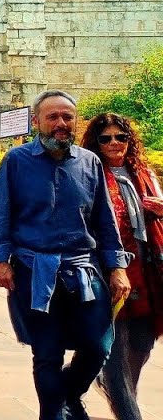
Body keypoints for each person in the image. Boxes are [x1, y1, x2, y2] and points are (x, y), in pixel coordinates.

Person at [0, 92, 129, 420]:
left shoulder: (89, 162)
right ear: (37, 122)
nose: (61, 124)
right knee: (47, 353)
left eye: (67, 117)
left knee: (98, 346)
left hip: (83, 270)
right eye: (53, 117)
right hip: (34, 271)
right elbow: (1, 213)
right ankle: (54, 412)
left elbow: (104, 219)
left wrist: (117, 267)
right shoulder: (17, 161)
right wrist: (1, 260)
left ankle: (66, 396)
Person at [81, 113, 163, 420]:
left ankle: (109, 388)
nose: (114, 143)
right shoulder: (90, 174)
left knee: (141, 345)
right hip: (107, 271)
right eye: (106, 138)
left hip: (146, 271)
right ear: (96, 143)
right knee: (112, 351)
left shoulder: (144, 175)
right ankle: (126, 408)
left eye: (121, 137)